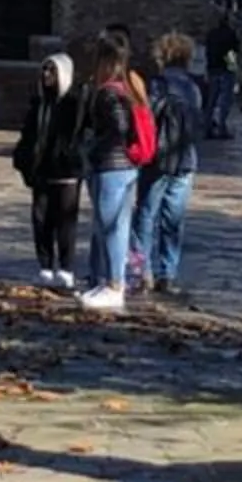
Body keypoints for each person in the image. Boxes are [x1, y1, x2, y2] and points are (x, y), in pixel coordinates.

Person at [80, 33, 146, 312]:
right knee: (114, 226)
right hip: (125, 166)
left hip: (110, 166)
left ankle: (114, 284)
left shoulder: (108, 92)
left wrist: (94, 147)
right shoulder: (129, 87)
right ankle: (108, 281)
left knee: (111, 228)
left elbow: (118, 128)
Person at [137, 31, 205, 295]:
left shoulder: (157, 84)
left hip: (157, 158)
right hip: (186, 158)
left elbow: (148, 116)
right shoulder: (193, 87)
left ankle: (142, 270)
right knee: (173, 219)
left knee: (146, 215)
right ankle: (168, 272)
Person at [13, 51, 87, 288]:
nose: (46, 75)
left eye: (52, 70)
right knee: (41, 219)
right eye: (44, 70)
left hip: (66, 173)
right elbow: (28, 134)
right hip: (41, 171)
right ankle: (45, 265)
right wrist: (23, 160)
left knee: (65, 222)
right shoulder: (38, 104)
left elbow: (79, 134)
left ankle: (66, 268)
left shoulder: (74, 104)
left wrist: (70, 157)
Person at [204, 9, 239, 140]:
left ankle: (208, 127)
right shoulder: (230, 34)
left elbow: (208, 50)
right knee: (225, 99)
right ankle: (221, 126)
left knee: (212, 99)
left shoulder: (211, 34)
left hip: (213, 68)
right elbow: (235, 50)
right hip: (225, 68)